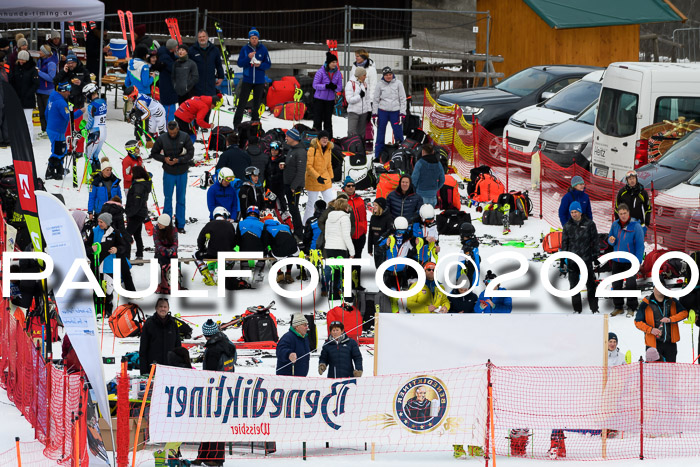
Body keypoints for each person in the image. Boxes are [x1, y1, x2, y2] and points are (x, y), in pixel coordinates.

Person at [193, 319, 236, 466]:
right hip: (228, 388)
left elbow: (209, 374)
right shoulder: (228, 344)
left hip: (214, 390)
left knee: (212, 424)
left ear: (206, 335)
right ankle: (205, 455)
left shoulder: (212, 350)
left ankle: (214, 458)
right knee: (214, 423)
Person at [151, 120, 195, 233]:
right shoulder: (162, 138)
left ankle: (180, 225)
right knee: (168, 199)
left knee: (181, 199)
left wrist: (179, 160)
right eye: (170, 133)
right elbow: (154, 153)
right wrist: (164, 159)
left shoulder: (185, 137)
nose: (172, 135)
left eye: (174, 133)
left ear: (177, 129)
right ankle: (167, 223)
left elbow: (191, 153)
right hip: (169, 172)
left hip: (182, 172)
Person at [87, 212, 134, 316]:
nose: (99, 223)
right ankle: (97, 309)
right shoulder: (94, 231)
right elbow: (86, 247)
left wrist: (116, 249)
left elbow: (123, 246)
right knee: (97, 288)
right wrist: (91, 249)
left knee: (108, 289)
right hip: (96, 265)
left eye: (101, 222)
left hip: (109, 266)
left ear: (107, 222)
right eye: (98, 221)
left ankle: (108, 309)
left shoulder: (114, 232)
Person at [561, 201, 599, 314]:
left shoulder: (589, 224)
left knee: (591, 285)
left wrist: (596, 256)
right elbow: (564, 243)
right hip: (573, 261)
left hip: (586, 259)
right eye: (571, 212)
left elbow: (595, 241)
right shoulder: (567, 226)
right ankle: (577, 310)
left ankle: (594, 308)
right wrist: (563, 259)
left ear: (580, 212)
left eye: (575, 212)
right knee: (574, 286)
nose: (573, 214)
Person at [608, 203, 645, 317]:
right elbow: (610, 240)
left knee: (630, 285)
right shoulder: (615, 225)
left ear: (628, 213)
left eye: (625, 213)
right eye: (621, 214)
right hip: (617, 260)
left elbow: (640, 245)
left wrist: (638, 261)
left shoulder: (636, 226)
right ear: (618, 214)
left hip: (630, 261)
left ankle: (632, 307)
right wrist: (611, 240)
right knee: (616, 285)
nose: (623, 216)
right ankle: (618, 307)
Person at [634, 286, 688, 363]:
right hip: (653, 344)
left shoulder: (672, 300)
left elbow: (684, 313)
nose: (659, 289)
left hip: (670, 343)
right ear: (653, 288)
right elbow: (637, 322)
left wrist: (670, 319)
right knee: (653, 372)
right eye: (657, 286)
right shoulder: (646, 303)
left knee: (671, 370)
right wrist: (651, 330)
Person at [233, 27, 271, 127]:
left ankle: (255, 122)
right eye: (252, 38)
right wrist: (248, 58)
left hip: (259, 81)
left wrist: (260, 65)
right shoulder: (245, 49)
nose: (254, 40)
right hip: (247, 79)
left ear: (258, 39)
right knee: (242, 102)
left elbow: (268, 64)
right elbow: (240, 63)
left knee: (257, 103)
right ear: (249, 39)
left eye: (256, 38)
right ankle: (237, 124)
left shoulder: (263, 49)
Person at [139, 298, 182, 375]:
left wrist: (179, 367)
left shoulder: (173, 324)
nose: (163, 309)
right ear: (156, 308)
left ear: (168, 308)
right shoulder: (149, 324)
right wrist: (144, 371)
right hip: (153, 367)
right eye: (160, 306)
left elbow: (178, 347)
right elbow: (143, 349)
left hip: (170, 368)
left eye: (165, 307)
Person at [324, 198, 355, 300]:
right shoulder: (344, 218)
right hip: (340, 248)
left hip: (329, 247)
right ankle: (346, 295)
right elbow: (346, 235)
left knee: (335, 272)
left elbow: (326, 234)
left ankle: (333, 293)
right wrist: (352, 251)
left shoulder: (329, 218)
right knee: (344, 272)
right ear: (345, 207)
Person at [373, 67, 407, 159]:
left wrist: (402, 113)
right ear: (383, 76)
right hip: (382, 111)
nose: (388, 76)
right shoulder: (379, 84)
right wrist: (374, 114)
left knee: (398, 133)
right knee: (380, 133)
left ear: (393, 74)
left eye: (390, 74)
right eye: (386, 75)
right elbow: (375, 100)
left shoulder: (398, 83)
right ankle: (378, 155)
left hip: (395, 112)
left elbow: (403, 99)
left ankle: (401, 155)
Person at [196, 208, 236, 284]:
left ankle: (208, 275)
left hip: (212, 253)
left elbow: (200, 239)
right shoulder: (230, 225)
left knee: (195, 255)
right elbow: (234, 242)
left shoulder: (209, 224)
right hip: (226, 254)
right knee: (234, 253)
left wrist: (202, 249)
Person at [303, 131, 336, 222]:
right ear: (319, 139)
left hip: (325, 179)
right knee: (311, 204)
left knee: (330, 202)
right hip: (313, 179)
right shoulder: (312, 149)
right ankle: (306, 223)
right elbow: (309, 167)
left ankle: (331, 221)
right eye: (323, 138)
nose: (325, 140)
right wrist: (318, 177)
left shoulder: (329, 149)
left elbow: (329, 165)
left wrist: (331, 176)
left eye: (326, 138)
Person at [343, 176, 368, 289]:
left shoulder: (360, 200)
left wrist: (364, 230)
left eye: (353, 185)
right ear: (344, 187)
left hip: (360, 235)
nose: (351, 187)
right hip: (348, 236)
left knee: (358, 258)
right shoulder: (341, 201)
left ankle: (357, 283)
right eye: (349, 186)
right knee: (348, 260)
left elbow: (364, 216)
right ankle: (347, 284)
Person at [8, 49, 38, 142]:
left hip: (28, 99)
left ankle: (29, 140)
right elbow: (13, 81)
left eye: (23, 60)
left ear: (27, 59)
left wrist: (29, 93)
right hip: (17, 98)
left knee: (28, 120)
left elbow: (36, 84)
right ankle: (20, 138)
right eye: (19, 59)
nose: (21, 61)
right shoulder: (16, 67)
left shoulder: (32, 70)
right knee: (18, 121)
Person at [45, 82, 73, 179]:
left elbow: (46, 113)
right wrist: (79, 112)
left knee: (61, 149)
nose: (69, 93)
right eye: (67, 91)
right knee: (58, 151)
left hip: (53, 129)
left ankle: (59, 169)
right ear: (62, 91)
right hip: (57, 130)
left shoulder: (52, 97)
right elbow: (67, 117)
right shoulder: (61, 102)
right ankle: (51, 172)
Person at [312, 52, 343, 137]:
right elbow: (315, 85)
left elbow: (340, 87)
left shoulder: (338, 73)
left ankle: (328, 139)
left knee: (328, 121)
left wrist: (334, 87)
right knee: (317, 120)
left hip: (330, 100)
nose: (334, 64)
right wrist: (325, 86)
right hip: (319, 99)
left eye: (335, 62)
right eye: (332, 62)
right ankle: (316, 138)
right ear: (328, 63)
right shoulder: (320, 72)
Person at [283, 128, 307, 236]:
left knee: (294, 210)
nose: (286, 138)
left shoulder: (301, 152)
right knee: (292, 209)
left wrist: (294, 186)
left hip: (294, 187)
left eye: (287, 136)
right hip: (289, 184)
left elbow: (301, 171)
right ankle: (297, 231)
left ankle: (299, 233)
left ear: (293, 138)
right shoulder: (292, 149)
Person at [262, 214, 299, 283]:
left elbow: (266, 242)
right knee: (289, 253)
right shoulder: (285, 226)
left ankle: (280, 274)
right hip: (294, 250)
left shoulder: (266, 229)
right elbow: (292, 237)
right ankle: (288, 274)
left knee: (271, 255)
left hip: (279, 252)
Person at [188, 29, 225, 97]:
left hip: (210, 83)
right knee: (197, 105)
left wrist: (221, 76)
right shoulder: (192, 50)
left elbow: (218, 64)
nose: (202, 38)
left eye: (203, 36)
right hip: (196, 85)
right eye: (200, 37)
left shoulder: (214, 50)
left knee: (209, 105)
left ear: (207, 37)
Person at [125, 165, 151, 261]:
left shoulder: (138, 186)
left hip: (136, 214)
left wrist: (129, 213)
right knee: (137, 235)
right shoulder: (141, 184)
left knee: (127, 235)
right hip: (140, 213)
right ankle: (139, 255)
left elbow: (136, 203)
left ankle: (126, 256)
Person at [616, 170, 651, 236]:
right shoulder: (622, 192)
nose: (632, 181)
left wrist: (646, 224)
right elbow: (617, 208)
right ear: (627, 180)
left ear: (636, 179)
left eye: (633, 178)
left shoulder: (643, 192)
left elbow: (648, 209)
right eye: (630, 179)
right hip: (625, 224)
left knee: (638, 244)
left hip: (639, 224)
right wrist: (618, 223)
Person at [81, 83, 107, 168]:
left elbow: (90, 122)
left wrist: (84, 128)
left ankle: (92, 177)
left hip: (95, 133)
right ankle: (99, 173)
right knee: (96, 155)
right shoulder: (103, 101)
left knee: (89, 156)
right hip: (103, 131)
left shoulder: (91, 106)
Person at [153, 214, 180, 294]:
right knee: (164, 263)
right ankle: (165, 284)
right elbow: (157, 244)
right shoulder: (156, 229)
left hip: (171, 251)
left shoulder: (173, 229)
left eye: (160, 223)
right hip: (160, 252)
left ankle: (174, 283)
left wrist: (171, 250)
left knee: (174, 264)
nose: (158, 224)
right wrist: (165, 250)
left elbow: (175, 243)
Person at [36, 44, 58, 138]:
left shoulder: (51, 63)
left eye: (41, 51)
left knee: (48, 112)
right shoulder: (40, 61)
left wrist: (39, 72)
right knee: (41, 112)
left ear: (45, 53)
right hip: (39, 90)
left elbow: (51, 78)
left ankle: (50, 130)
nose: (39, 52)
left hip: (48, 91)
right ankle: (44, 129)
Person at [157, 39, 180, 123]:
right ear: (173, 48)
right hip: (168, 88)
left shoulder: (166, 54)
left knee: (166, 109)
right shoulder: (165, 57)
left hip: (167, 87)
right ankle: (168, 128)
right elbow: (173, 68)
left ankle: (166, 127)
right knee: (169, 110)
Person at [345, 67, 371, 137]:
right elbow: (349, 100)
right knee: (352, 132)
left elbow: (367, 98)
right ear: (359, 75)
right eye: (364, 75)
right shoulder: (350, 84)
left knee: (362, 134)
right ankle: (351, 146)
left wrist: (369, 110)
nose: (365, 76)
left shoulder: (365, 84)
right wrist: (359, 96)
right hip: (353, 112)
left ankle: (361, 147)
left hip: (363, 113)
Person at [367, 198, 393, 264]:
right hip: (376, 246)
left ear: (381, 206)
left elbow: (390, 232)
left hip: (385, 246)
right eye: (374, 205)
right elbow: (370, 233)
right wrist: (369, 249)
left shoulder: (388, 217)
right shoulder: (373, 217)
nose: (374, 207)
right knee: (378, 266)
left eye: (376, 205)